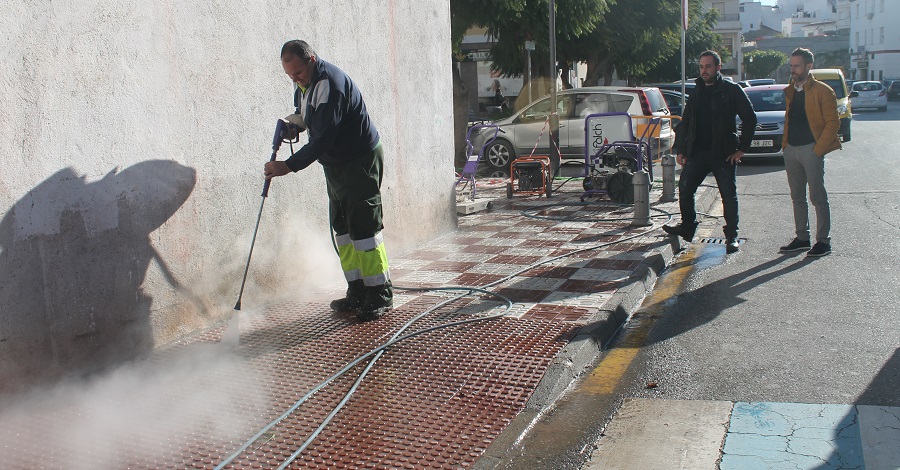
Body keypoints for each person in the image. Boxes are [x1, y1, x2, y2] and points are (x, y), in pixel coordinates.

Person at [264, 40, 392, 321]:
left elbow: (324, 137)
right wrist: (294, 123)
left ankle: (379, 294)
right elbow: (309, 115)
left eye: (297, 72)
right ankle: (357, 290)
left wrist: (288, 165)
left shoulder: (330, 84)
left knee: (364, 229)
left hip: (358, 159)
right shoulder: (305, 83)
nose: (295, 79)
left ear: (311, 59)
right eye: (290, 75)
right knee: (343, 230)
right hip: (335, 163)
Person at [663, 50, 757, 254]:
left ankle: (732, 236)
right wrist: (681, 149)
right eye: (701, 67)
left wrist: (742, 149)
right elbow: (686, 122)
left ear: (718, 67)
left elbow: (750, 118)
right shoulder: (697, 91)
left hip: (723, 154)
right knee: (685, 189)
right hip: (697, 153)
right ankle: (688, 228)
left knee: (728, 196)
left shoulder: (731, 90)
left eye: (708, 66)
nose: (704, 71)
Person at [778, 48, 840, 257]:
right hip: (791, 149)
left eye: (796, 65)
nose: (792, 69)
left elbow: (833, 123)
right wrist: (785, 146)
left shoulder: (824, 90)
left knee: (817, 196)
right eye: (791, 65)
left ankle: (823, 241)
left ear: (808, 67)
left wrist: (818, 149)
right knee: (797, 197)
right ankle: (802, 238)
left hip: (811, 149)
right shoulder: (791, 90)